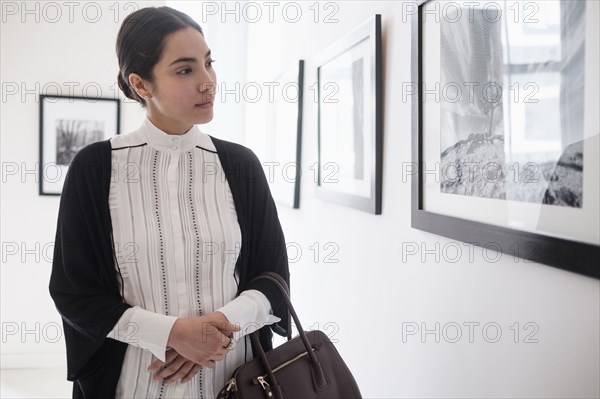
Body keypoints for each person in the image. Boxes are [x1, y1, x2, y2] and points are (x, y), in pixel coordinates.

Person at [49, 6, 290, 398]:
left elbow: (273, 279)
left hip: (235, 382)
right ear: (141, 85)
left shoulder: (240, 164)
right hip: (134, 385)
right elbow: (74, 292)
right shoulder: (95, 168)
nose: (208, 81)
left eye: (209, 63)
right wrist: (173, 334)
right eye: (185, 70)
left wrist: (213, 332)